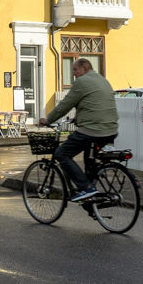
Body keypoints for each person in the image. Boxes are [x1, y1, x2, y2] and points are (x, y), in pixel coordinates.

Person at [39, 58, 118, 202]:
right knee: (90, 163)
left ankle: (87, 188)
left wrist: (48, 120)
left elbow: (65, 105)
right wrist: (79, 117)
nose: (74, 74)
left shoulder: (81, 82)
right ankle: (91, 199)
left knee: (61, 154)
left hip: (93, 130)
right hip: (111, 129)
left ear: (85, 68)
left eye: (75, 70)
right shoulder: (102, 80)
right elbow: (93, 104)